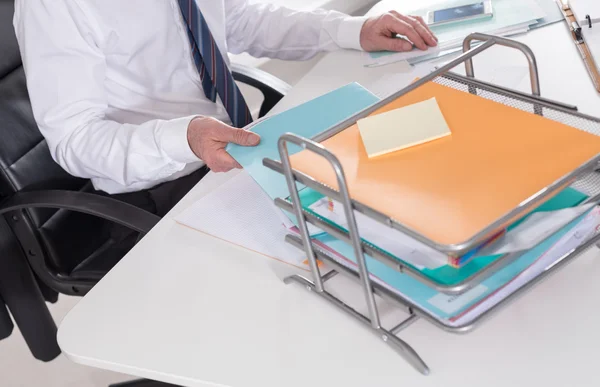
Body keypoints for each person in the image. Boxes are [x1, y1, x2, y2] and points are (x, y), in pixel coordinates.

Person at [13, 0, 437, 216]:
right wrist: (185, 138)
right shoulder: (56, 6)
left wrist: (350, 30)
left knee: (398, 175)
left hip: (239, 153)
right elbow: (75, 140)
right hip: (161, 189)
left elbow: (239, 19)